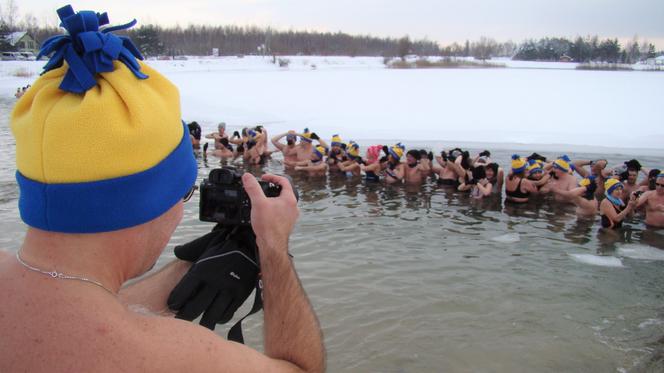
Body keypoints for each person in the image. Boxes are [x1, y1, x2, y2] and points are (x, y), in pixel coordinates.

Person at [0, 6, 325, 372]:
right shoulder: (170, 355)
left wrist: (187, 269)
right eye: (185, 194)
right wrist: (274, 252)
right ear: (149, 202)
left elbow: (75, 307)